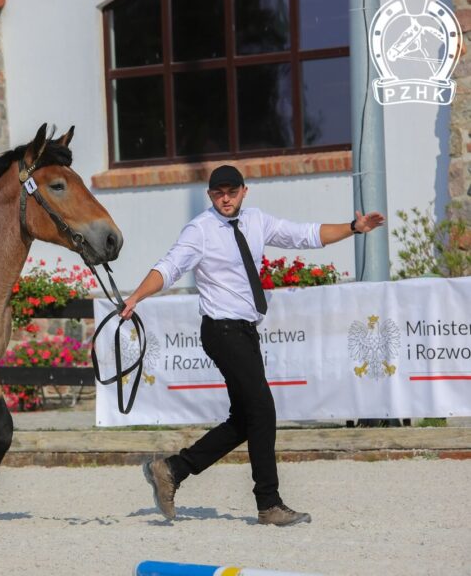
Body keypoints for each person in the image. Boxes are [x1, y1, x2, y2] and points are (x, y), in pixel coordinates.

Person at [120, 164, 385, 527]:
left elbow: (305, 235)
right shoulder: (200, 230)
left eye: (231, 191)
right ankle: (269, 503)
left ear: (245, 191)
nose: (225, 198)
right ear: (210, 195)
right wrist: (135, 297)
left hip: (244, 331)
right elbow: (169, 268)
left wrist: (354, 228)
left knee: (245, 419)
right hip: (221, 330)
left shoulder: (257, 220)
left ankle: (172, 469)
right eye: (218, 193)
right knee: (263, 411)